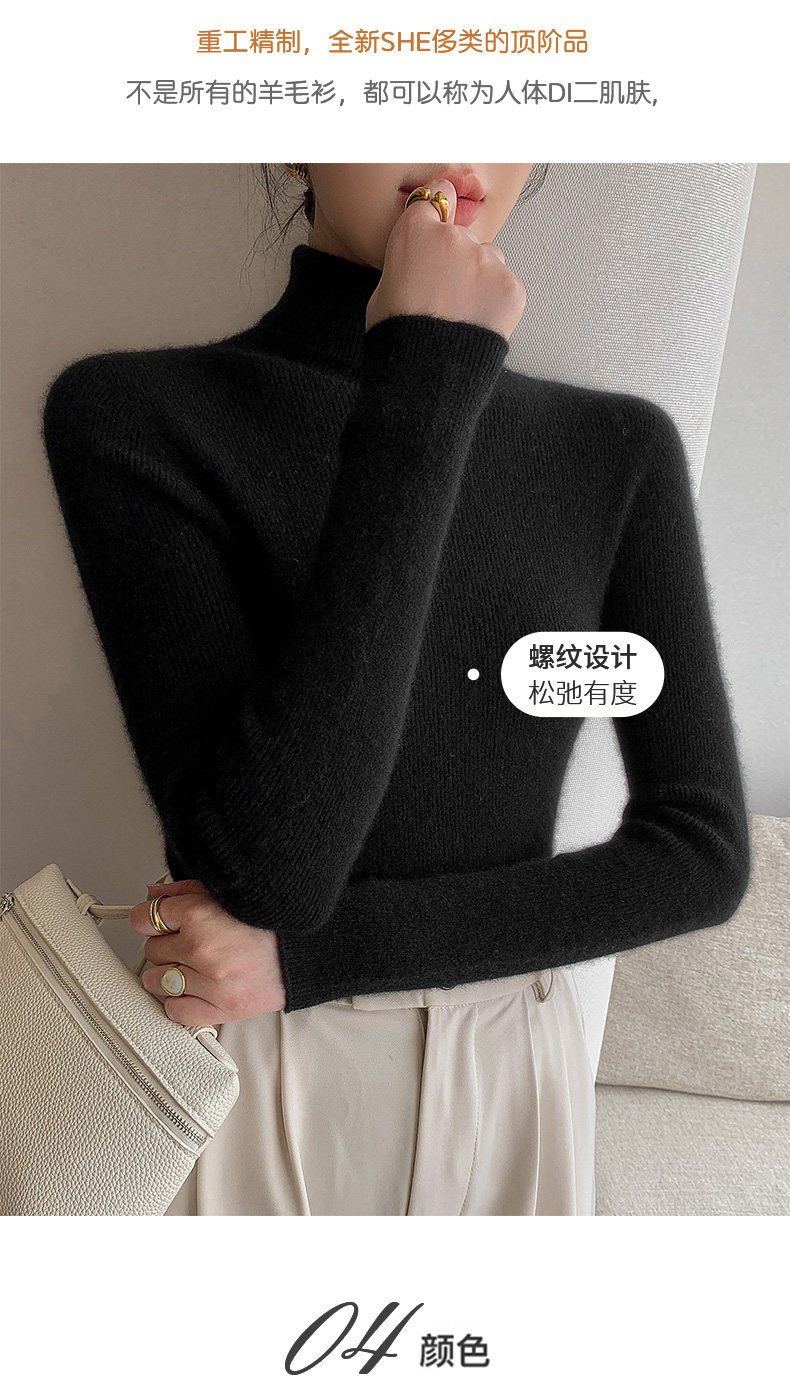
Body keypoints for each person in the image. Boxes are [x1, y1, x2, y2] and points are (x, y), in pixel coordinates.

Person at [42, 162, 751, 1217]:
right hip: (252, 1072)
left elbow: (700, 857)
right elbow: (271, 871)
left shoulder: (613, 451)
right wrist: (424, 378)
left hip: (515, 1070)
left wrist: (326, 956)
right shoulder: (138, 416)